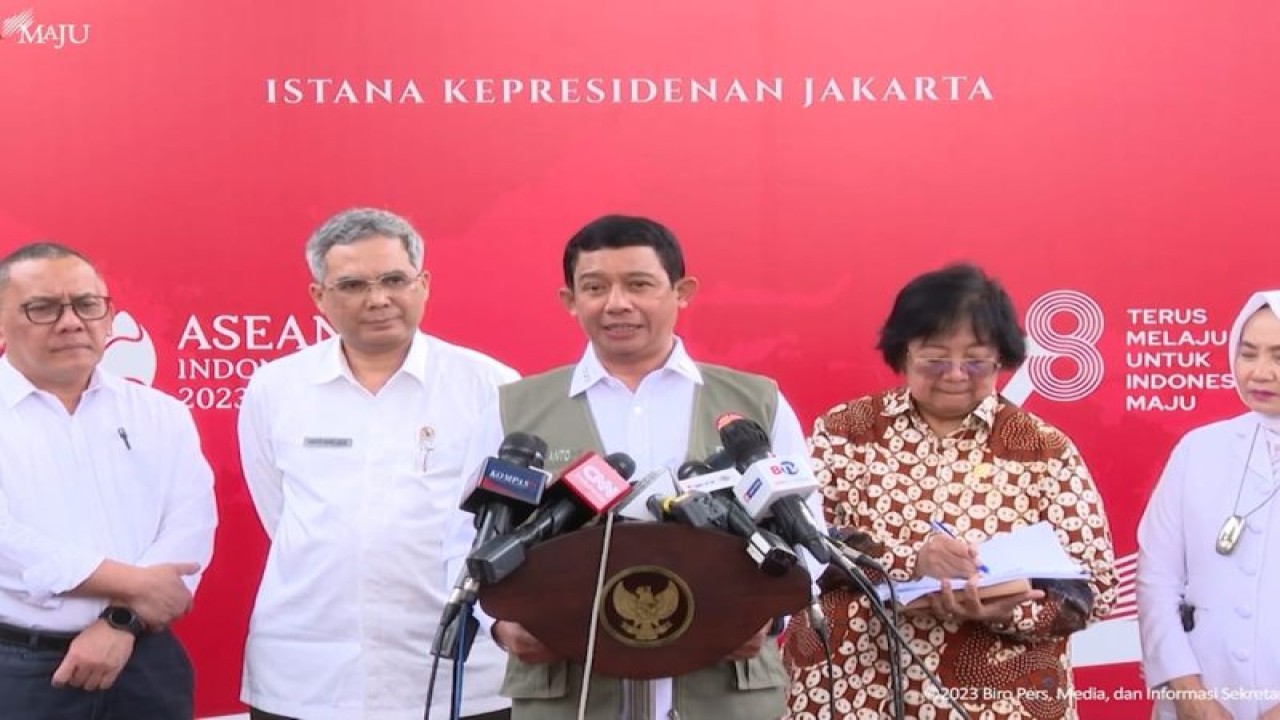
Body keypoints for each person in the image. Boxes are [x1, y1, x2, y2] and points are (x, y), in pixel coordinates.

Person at [458, 214, 809, 720]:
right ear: (569, 300)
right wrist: (499, 626)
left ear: (681, 291)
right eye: (595, 287)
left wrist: (768, 618)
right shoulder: (515, 409)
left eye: (639, 284)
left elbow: (807, 533)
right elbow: (463, 542)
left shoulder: (755, 403)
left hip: (723, 690)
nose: (617, 303)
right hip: (569, 691)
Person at [784, 263, 1117, 720]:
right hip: (851, 692)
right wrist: (907, 563)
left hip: (998, 705)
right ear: (903, 354)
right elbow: (797, 539)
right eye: (935, 358)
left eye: (977, 360)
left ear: (1003, 358)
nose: (956, 374)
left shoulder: (1043, 449)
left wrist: (1008, 608)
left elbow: (1094, 586)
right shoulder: (846, 431)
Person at [237, 208, 518, 720]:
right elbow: (277, 510)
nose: (378, 299)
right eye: (352, 285)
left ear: (423, 284)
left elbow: (509, 525)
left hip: (458, 672)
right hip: (309, 674)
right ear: (319, 296)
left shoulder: (490, 386)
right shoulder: (276, 388)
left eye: (394, 279)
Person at [0, 242, 217, 719]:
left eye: (86, 304)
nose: (72, 321)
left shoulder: (160, 412)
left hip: (145, 661)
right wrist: (135, 584)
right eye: (43, 308)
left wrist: (122, 620)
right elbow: (7, 543)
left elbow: (190, 523)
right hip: (17, 668)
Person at [1137, 290, 1280, 720]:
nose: (1260, 372)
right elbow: (1156, 579)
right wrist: (1188, 693)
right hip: (1199, 699)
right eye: (1248, 353)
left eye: (1279, 356)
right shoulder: (1200, 449)